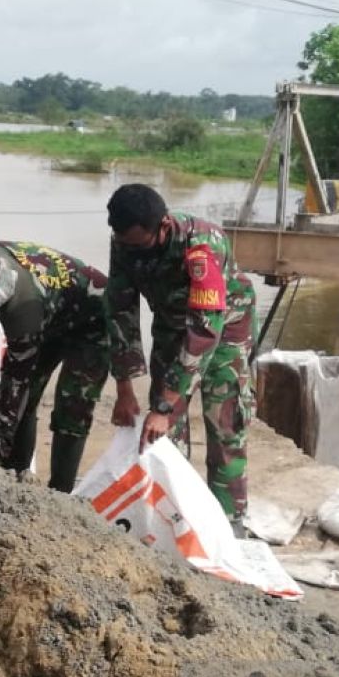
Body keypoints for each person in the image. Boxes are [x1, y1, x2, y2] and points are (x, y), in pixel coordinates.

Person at [103, 183, 256, 534]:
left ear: (163, 226)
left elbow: (205, 330)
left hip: (225, 329)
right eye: (125, 242)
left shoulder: (202, 246)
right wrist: (124, 387)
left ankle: (228, 525)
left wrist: (166, 404)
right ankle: (178, 518)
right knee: (164, 435)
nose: (133, 252)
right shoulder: (125, 241)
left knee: (225, 425)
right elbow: (119, 309)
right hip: (172, 328)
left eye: (139, 244)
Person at [0, 241, 109, 492]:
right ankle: (18, 474)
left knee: (72, 407)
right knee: (19, 400)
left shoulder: (22, 309)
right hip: (52, 312)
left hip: (95, 321)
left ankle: (59, 494)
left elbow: (16, 386)